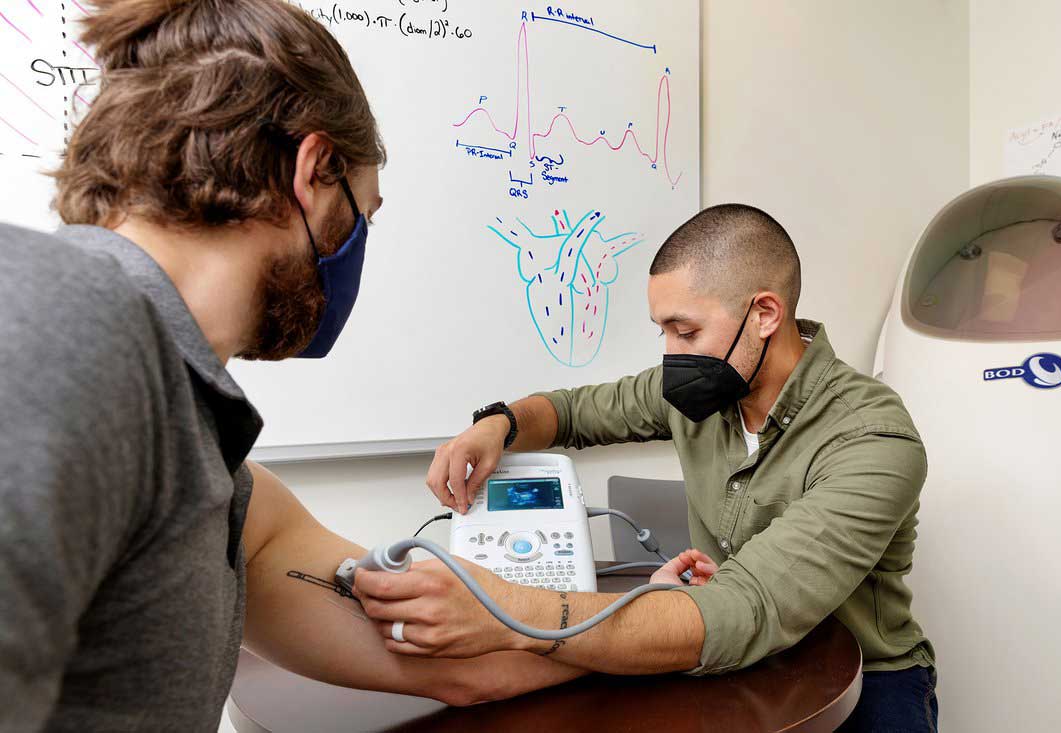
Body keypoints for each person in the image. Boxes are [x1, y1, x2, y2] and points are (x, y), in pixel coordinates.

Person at [0, 1, 586, 730]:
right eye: (362, 213)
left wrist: (654, 618)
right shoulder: (62, 321)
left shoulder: (214, 468)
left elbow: (470, 667)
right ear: (313, 172)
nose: (355, 250)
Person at [361, 204, 940, 731]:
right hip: (741, 661)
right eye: (663, 331)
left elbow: (744, 608)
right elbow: (569, 412)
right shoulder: (708, 389)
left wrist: (504, 613)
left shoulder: (872, 438)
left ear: (764, 313)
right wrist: (496, 425)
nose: (671, 354)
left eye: (685, 331)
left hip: (861, 677)